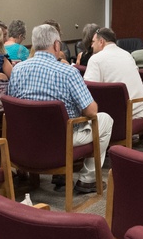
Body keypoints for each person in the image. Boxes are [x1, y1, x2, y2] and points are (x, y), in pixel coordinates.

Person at [8, 24, 112, 194]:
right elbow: (91, 111)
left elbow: (15, 104)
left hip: (26, 137)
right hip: (62, 139)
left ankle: (56, 174)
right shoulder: (68, 73)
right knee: (105, 119)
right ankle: (88, 179)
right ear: (57, 45)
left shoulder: (17, 70)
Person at [83, 28, 143, 120]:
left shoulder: (96, 59)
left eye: (93, 42)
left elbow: (87, 91)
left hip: (118, 116)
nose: (92, 45)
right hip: (141, 111)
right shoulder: (128, 55)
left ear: (101, 42)